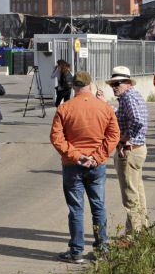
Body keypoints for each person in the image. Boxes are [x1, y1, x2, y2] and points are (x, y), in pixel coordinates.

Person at [50, 71, 119, 263]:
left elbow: (56, 138)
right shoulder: (104, 108)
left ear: (73, 87)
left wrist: (77, 156)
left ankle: (76, 251)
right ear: (91, 86)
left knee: (76, 209)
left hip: (73, 165)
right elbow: (114, 136)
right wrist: (97, 157)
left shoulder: (65, 108)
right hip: (97, 166)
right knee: (98, 207)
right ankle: (102, 249)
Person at [102, 66, 149, 238]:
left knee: (130, 195)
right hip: (137, 149)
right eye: (113, 84)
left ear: (128, 83)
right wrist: (105, 105)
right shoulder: (130, 97)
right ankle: (141, 229)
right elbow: (124, 116)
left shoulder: (128, 98)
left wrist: (124, 139)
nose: (114, 87)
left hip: (130, 150)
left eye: (118, 83)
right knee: (137, 191)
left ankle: (133, 235)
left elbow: (138, 121)